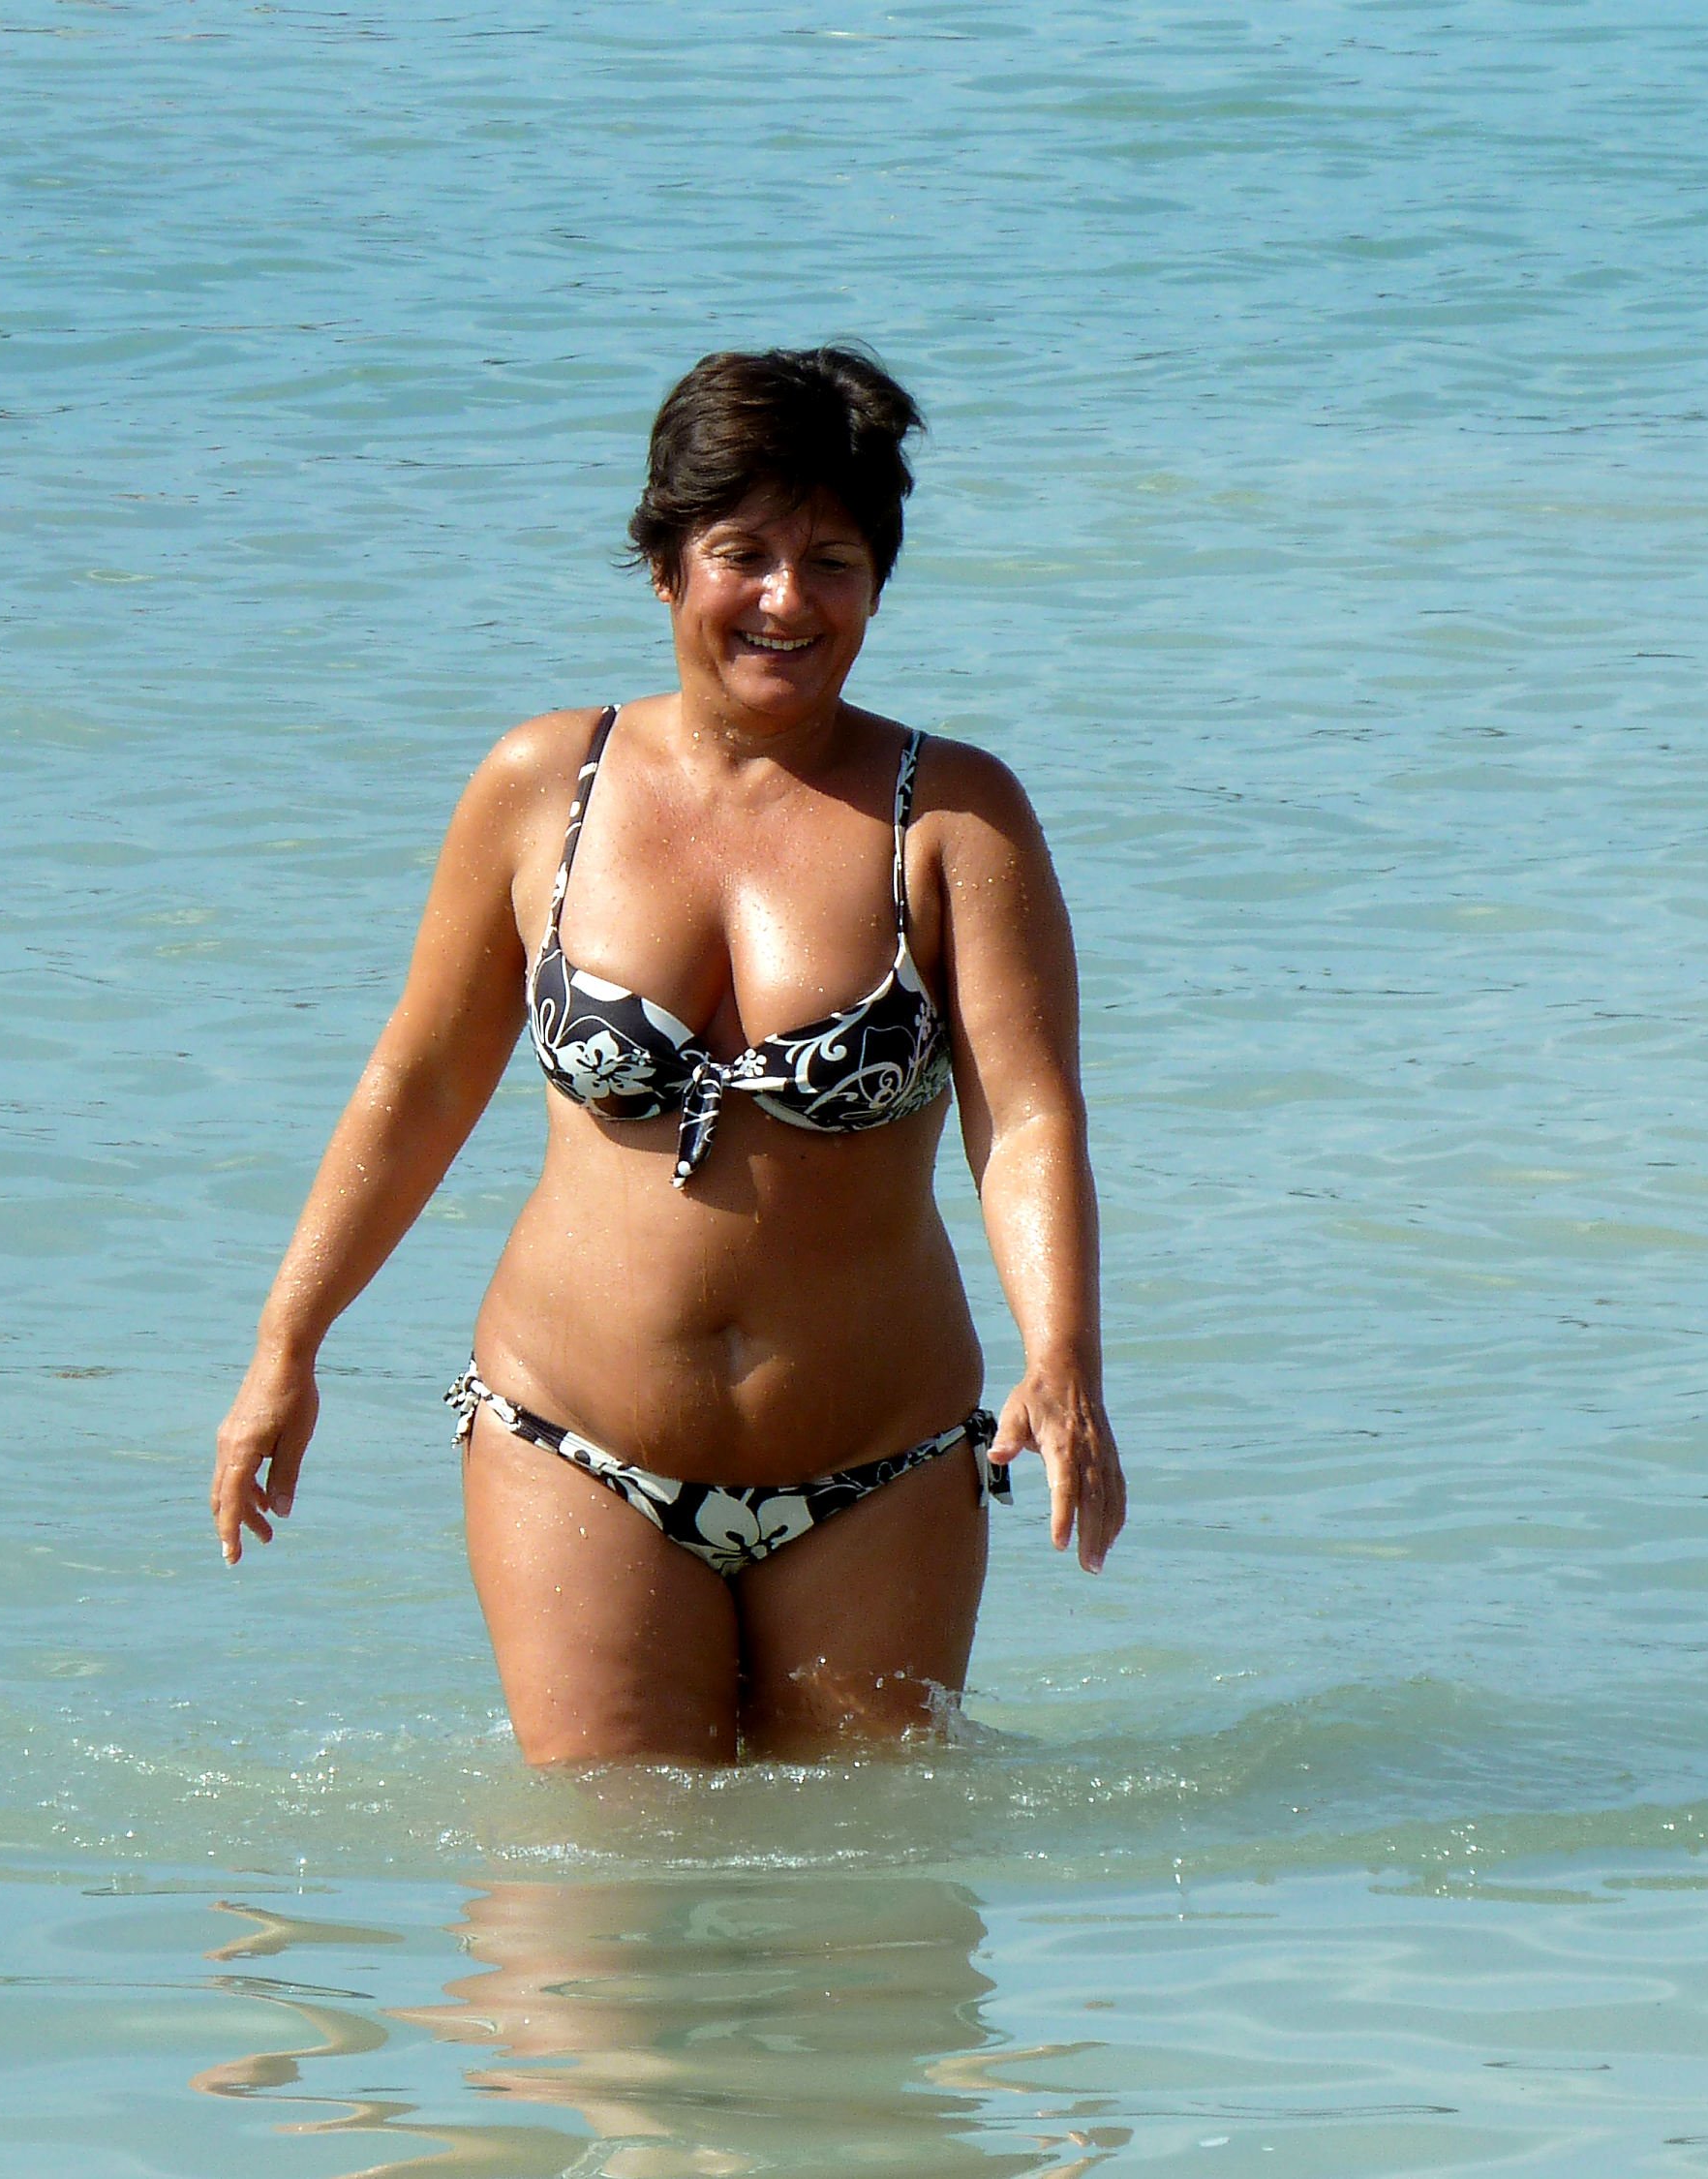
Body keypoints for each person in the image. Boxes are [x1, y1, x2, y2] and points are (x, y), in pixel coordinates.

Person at [208, 347, 1123, 1765]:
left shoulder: (953, 815)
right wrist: (288, 1344)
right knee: (598, 1886)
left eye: (832, 562)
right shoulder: (542, 788)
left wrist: (1062, 1358)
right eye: (742, 554)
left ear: (879, 584)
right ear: (664, 565)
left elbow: (1028, 1122)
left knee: (868, 1897)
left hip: (877, 1468)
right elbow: (420, 1085)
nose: (787, 600)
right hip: (571, 1442)